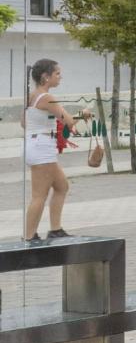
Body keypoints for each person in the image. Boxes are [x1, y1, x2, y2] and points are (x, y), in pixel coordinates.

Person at [21, 59, 90, 242]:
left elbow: (23, 123)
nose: (60, 77)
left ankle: (55, 230)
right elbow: (69, 121)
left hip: (36, 145)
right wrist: (83, 114)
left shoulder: (32, 96)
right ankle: (29, 237)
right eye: (57, 73)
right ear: (46, 76)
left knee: (62, 186)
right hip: (42, 148)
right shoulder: (47, 98)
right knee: (39, 195)